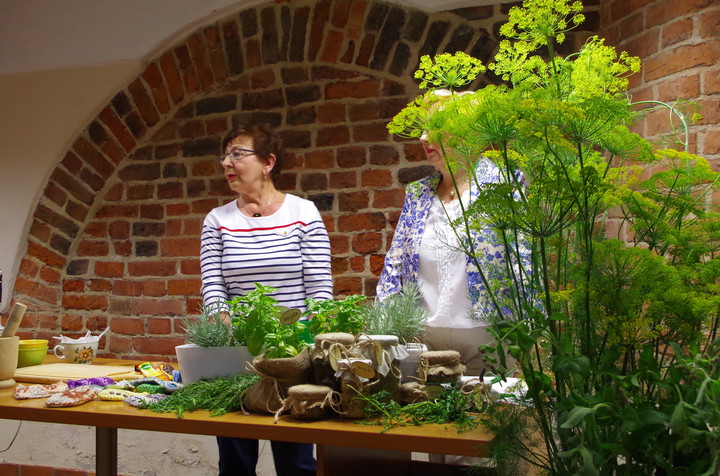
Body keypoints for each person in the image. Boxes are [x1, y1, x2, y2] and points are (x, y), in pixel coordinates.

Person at [200, 123, 333, 476]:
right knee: (235, 463)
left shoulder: (303, 214)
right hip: (238, 354)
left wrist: (310, 347)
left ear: (268, 162)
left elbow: (320, 289)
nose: (227, 163)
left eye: (238, 154)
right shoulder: (217, 220)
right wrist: (224, 330)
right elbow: (213, 288)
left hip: (293, 355)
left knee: (297, 464)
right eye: (224, 156)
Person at [376, 90, 525, 377]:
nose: (422, 137)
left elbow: (522, 258)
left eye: (435, 128)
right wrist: (383, 325)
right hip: (422, 340)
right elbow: (395, 264)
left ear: (466, 131)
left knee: (484, 416)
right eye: (422, 128)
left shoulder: (504, 183)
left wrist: (528, 327)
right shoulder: (418, 193)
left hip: (487, 339)